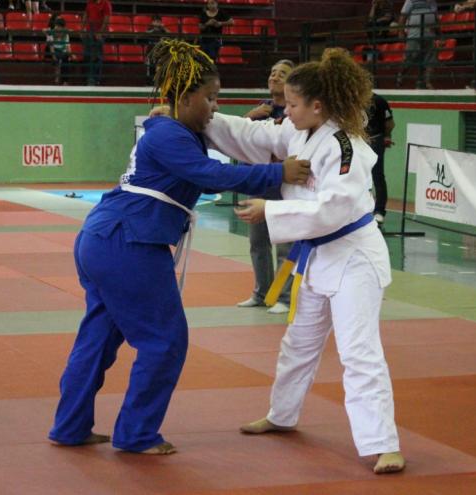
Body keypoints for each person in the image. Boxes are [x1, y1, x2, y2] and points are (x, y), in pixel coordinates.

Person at [48, 39, 311, 455]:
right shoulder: (170, 135)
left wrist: (270, 173)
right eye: (210, 98)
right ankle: (136, 434)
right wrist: (278, 173)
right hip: (129, 243)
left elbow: (210, 164)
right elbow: (210, 174)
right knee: (165, 341)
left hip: (107, 238)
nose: (214, 108)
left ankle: (70, 426)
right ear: (185, 98)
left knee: (98, 338)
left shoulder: (171, 130)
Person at [203, 48, 405, 474]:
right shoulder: (299, 132)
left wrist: (271, 210)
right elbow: (254, 136)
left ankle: (384, 444)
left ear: (317, 105)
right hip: (316, 257)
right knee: (298, 343)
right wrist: (202, 118)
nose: (286, 111)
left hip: (353, 258)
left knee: (359, 351)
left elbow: (333, 209)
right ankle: (282, 414)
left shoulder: (346, 148)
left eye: (293, 104)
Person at [237, 59, 295, 314]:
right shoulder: (262, 109)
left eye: (282, 74)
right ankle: (261, 293)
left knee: (284, 244)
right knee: (257, 242)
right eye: (272, 72)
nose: (275, 76)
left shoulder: (294, 112)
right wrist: (250, 117)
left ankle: (284, 297)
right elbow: (239, 137)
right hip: (259, 181)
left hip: (283, 184)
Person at [396, 0, 438, 89]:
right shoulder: (410, 1)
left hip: (429, 35)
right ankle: (400, 76)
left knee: (430, 60)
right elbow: (403, 16)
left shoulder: (432, 2)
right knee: (409, 58)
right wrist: (401, 32)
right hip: (414, 35)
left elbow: (435, 17)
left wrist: (440, 34)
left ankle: (427, 83)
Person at [367, 93, 395, 225]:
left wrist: (387, 136)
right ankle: (361, 209)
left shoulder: (379, 101)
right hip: (358, 140)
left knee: (377, 175)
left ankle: (379, 211)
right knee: (357, 175)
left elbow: (390, 123)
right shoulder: (352, 100)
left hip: (375, 141)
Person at [81, 0, 112, 86]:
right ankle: (88, 78)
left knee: (97, 56)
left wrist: (100, 33)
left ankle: (95, 79)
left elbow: (106, 19)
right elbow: (86, 14)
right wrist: (82, 28)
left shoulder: (105, 3)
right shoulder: (90, 2)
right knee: (87, 55)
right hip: (89, 32)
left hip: (99, 34)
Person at [44, 17, 71, 85]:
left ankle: (65, 81)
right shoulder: (51, 33)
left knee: (66, 61)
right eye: (56, 26)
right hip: (54, 51)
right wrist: (54, 56)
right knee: (57, 61)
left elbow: (67, 45)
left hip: (63, 51)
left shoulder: (66, 34)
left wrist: (70, 54)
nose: (57, 28)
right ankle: (57, 80)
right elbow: (51, 46)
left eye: (59, 26)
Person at [145, 14, 169, 85]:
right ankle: (150, 82)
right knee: (151, 67)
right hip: (151, 52)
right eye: (155, 21)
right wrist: (154, 29)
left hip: (161, 53)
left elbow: (171, 34)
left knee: (160, 67)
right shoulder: (150, 30)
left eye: (158, 21)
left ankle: (160, 82)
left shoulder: (163, 31)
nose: (157, 23)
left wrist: (164, 28)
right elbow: (146, 33)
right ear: (152, 22)